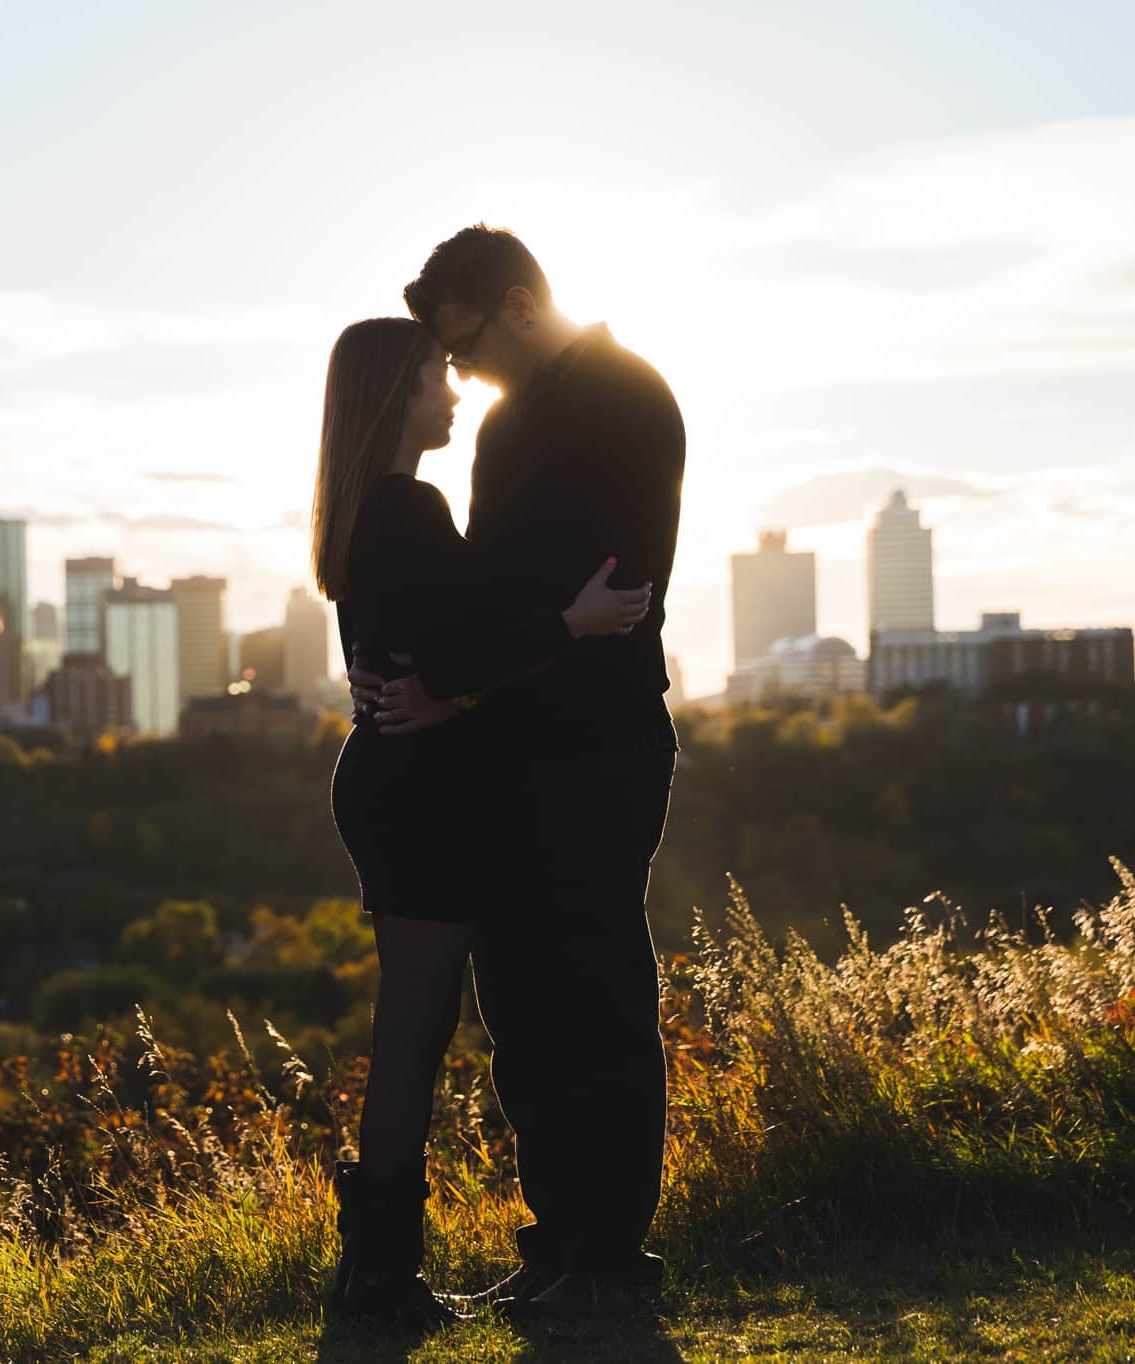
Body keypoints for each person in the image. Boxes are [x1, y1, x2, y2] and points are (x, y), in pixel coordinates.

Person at [349, 224, 687, 1318]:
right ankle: (555, 1239)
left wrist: (461, 674)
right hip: (502, 747)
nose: (456, 369)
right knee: (523, 1010)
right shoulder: (507, 422)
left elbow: (612, 591)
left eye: (462, 341)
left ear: (514, 302)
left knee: (593, 991)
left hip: (594, 746)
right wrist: (458, 678)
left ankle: (606, 1255)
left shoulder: (627, 399)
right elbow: (481, 594)